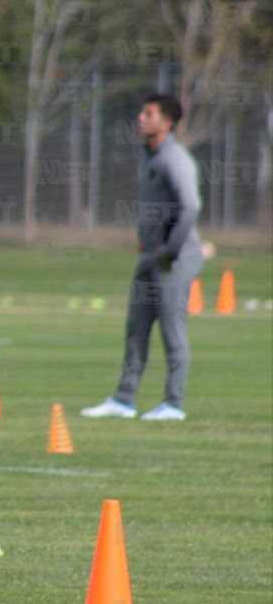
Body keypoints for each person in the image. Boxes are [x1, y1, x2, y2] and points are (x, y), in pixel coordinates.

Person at [82, 94, 203, 422]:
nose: (140, 117)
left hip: (174, 259)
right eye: (141, 111)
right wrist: (145, 237)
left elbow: (190, 207)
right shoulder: (147, 155)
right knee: (136, 327)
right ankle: (124, 399)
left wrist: (170, 249)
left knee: (171, 331)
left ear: (167, 122)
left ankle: (173, 404)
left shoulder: (174, 158)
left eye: (148, 113)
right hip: (151, 255)